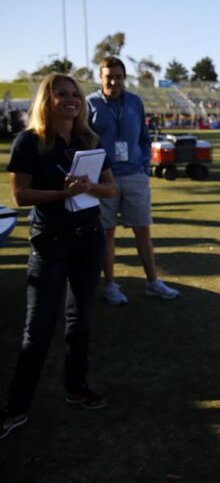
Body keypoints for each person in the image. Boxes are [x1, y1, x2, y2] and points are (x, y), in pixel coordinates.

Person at [1, 74, 115, 440]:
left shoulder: (89, 140)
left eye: (75, 95)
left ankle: (76, 388)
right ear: (46, 101)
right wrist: (62, 195)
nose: (71, 100)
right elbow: (20, 196)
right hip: (50, 243)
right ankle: (15, 407)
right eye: (61, 94)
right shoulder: (29, 141)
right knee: (38, 330)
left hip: (89, 239)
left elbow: (109, 188)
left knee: (80, 321)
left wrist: (88, 188)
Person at [87, 57, 179, 305]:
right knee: (107, 233)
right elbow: (84, 141)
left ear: (125, 77)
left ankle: (153, 281)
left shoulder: (135, 102)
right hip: (103, 178)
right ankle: (111, 286)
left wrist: (142, 166)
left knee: (143, 230)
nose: (114, 81)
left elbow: (144, 137)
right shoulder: (91, 103)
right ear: (101, 77)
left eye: (118, 76)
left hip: (134, 175)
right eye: (109, 77)